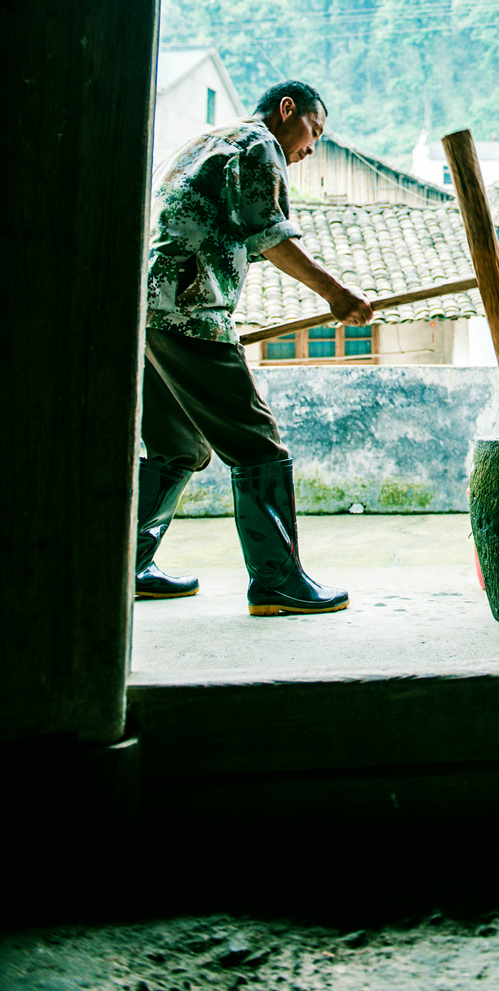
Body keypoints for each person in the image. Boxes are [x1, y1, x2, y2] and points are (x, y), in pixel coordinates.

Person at [135, 80, 373, 615]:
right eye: (313, 131)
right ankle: (277, 581)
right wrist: (338, 295)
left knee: (178, 449)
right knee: (259, 447)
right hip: (189, 312)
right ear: (287, 110)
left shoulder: (207, 143)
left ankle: (129, 565)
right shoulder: (257, 145)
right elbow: (271, 235)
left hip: (147, 313)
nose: (311, 148)